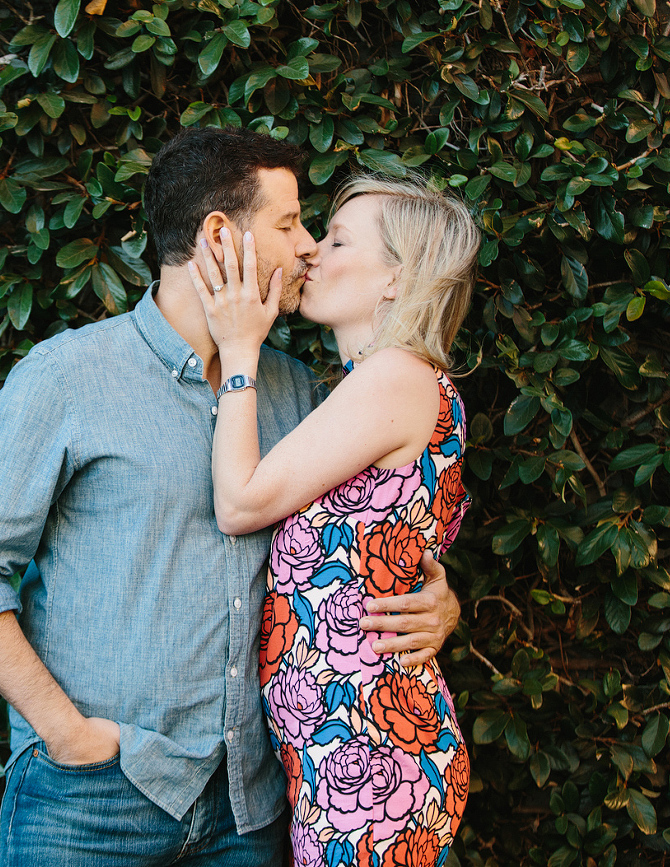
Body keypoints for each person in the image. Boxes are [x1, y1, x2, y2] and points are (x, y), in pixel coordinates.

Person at [0, 128, 462, 866]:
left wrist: (431, 597)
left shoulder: (296, 390)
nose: (306, 246)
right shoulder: (68, 376)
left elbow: (365, 529)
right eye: (288, 223)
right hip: (93, 798)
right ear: (217, 234)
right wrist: (66, 733)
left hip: (250, 802)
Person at [188, 172, 479, 866]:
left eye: (339, 239)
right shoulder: (375, 385)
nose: (312, 250)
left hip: (374, 759)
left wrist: (238, 350)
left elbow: (238, 502)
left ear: (395, 279)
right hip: (350, 753)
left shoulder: (396, 376)